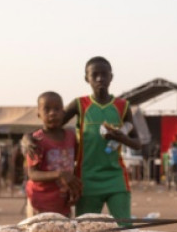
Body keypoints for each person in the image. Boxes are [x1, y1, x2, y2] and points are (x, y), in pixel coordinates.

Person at [24, 56, 141, 219]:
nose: (100, 79)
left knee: (124, 226)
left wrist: (121, 137)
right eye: (95, 75)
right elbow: (51, 125)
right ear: (87, 78)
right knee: (87, 228)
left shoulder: (123, 106)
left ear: (111, 77)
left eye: (104, 74)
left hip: (116, 178)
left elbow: (137, 143)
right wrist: (26, 137)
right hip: (86, 179)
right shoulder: (80, 104)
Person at [25, 92, 81, 217]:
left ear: (63, 112)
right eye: (47, 109)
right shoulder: (36, 140)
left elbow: (76, 162)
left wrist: (75, 187)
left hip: (63, 202)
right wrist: (59, 174)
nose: (52, 113)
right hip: (40, 202)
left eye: (57, 109)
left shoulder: (71, 137)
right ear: (39, 114)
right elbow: (32, 173)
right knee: (40, 230)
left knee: (64, 229)